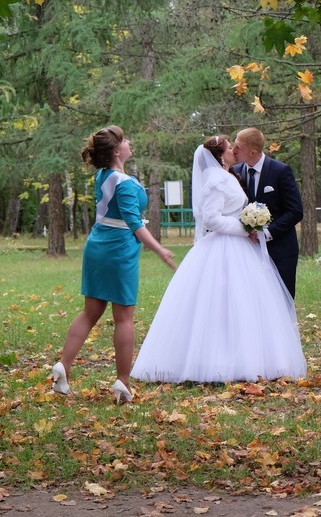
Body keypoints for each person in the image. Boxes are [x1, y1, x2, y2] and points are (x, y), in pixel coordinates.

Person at [130, 136, 306, 383]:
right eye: (229, 147)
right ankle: (213, 360)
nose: (234, 150)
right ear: (220, 156)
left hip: (242, 248)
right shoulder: (215, 180)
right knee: (220, 303)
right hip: (224, 246)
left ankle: (248, 357)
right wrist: (244, 227)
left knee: (244, 302)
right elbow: (211, 219)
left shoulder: (230, 175)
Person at [50, 125, 176, 404]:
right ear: (117, 151)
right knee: (124, 317)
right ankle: (123, 381)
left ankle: (63, 366)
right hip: (119, 251)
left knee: (90, 312)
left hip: (96, 247)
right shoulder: (126, 183)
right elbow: (133, 223)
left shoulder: (102, 175)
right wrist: (158, 249)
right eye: (125, 140)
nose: (130, 142)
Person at [232, 128, 303, 298]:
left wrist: (267, 233)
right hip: (248, 251)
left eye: (238, 148)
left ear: (253, 152)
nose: (233, 151)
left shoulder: (280, 171)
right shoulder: (235, 172)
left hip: (281, 250)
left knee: (282, 299)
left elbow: (295, 211)